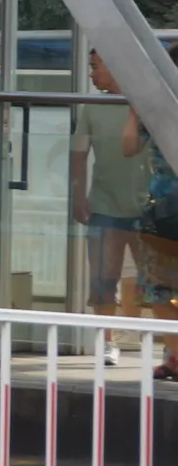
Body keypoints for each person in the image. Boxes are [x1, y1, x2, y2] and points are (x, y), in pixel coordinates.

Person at [72, 51, 153, 359]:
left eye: (95, 67)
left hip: (149, 208)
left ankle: (161, 346)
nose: (91, 74)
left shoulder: (147, 103)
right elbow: (78, 153)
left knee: (156, 283)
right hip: (105, 205)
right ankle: (108, 341)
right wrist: (79, 195)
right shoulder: (94, 106)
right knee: (104, 277)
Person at [119, 80, 178, 383]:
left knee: (159, 290)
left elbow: (129, 146)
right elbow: (129, 146)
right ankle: (173, 356)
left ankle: (174, 356)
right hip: (164, 209)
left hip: (164, 205)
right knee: (159, 289)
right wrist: (135, 111)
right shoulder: (156, 108)